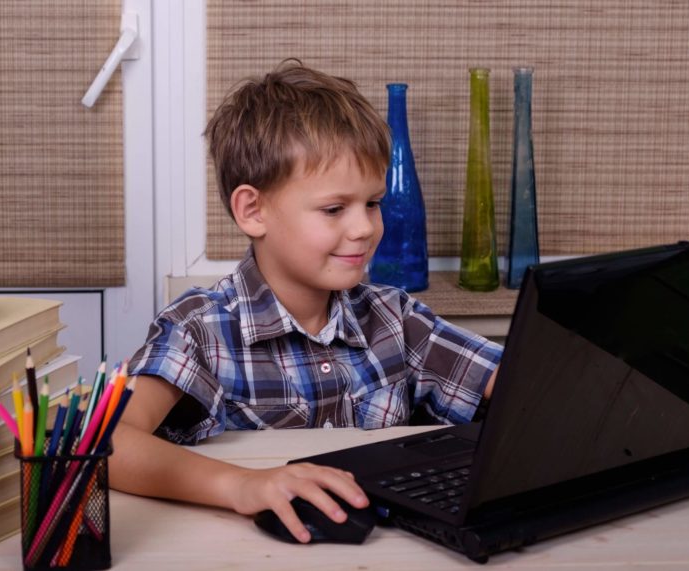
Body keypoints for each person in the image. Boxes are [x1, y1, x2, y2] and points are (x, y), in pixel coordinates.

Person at [111, 60, 503, 543]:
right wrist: (243, 485)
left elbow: (522, 383)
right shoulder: (199, 330)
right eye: (335, 209)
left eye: (373, 203)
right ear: (252, 211)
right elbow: (111, 442)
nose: (364, 228)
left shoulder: (394, 318)